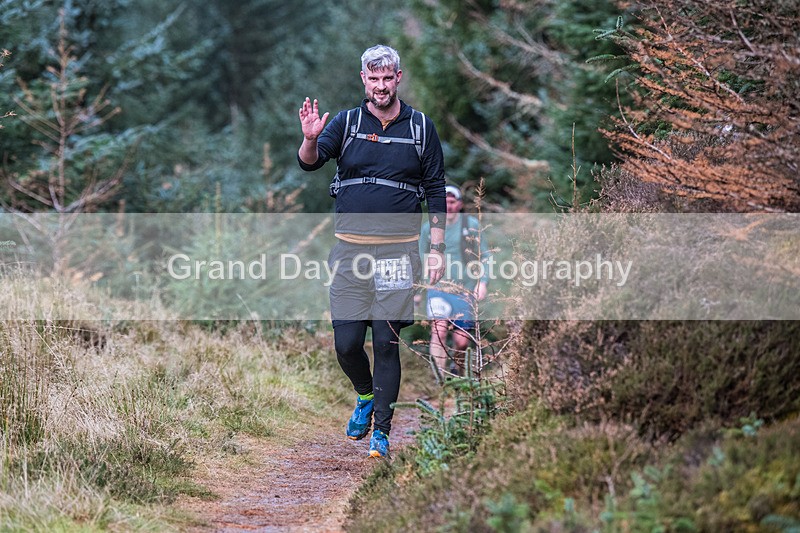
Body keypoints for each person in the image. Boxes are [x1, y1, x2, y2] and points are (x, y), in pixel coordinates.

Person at [297, 44, 446, 458]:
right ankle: (365, 396)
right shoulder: (345, 124)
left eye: (388, 78)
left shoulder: (420, 127)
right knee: (346, 343)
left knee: (385, 342)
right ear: (363, 79)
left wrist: (436, 248)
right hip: (350, 253)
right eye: (373, 78)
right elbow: (309, 162)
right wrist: (310, 139)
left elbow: (435, 188)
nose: (381, 86)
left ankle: (382, 430)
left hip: (399, 255)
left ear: (399, 78)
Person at [419, 184, 490, 377]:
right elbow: (419, 258)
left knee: (462, 341)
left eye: (452, 202)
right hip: (437, 288)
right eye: (444, 202)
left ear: (459, 204)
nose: (448, 206)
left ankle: (459, 374)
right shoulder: (428, 228)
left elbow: (485, 255)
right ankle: (439, 378)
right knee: (439, 331)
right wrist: (417, 290)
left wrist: (482, 282)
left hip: (464, 289)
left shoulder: (471, 225)